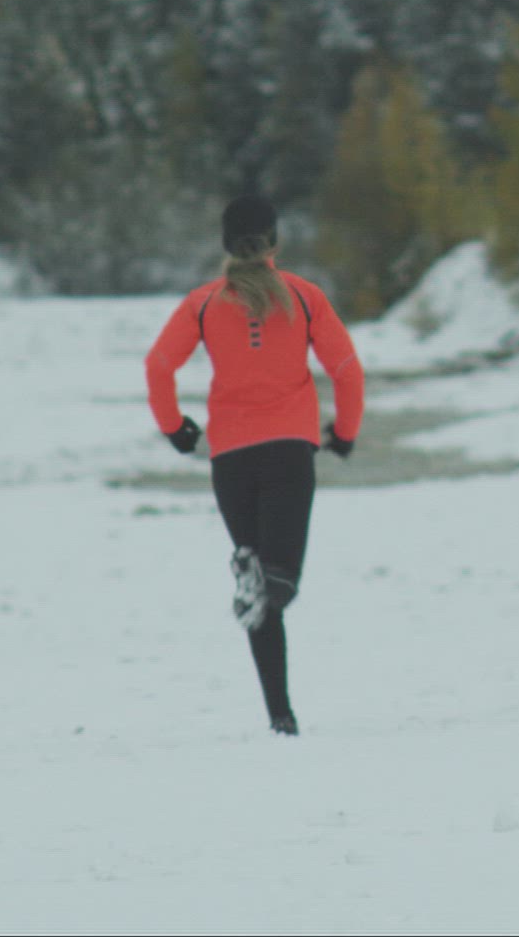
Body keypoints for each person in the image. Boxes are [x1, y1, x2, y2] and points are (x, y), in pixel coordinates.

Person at [144, 195, 365, 736]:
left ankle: (280, 718)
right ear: (275, 241)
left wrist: (176, 428)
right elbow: (347, 370)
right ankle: (260, 581)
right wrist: (345, 432)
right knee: (278, 582)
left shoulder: (203, 303)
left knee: (261, 592)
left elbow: (158, 365)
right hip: (289, 451)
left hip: (231, 458)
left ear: (225, 242)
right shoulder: (304, 297)